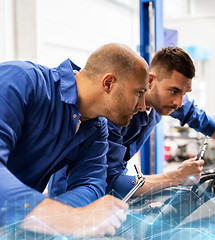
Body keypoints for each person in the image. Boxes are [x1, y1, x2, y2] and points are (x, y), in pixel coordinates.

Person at [49, 46, 215, 200]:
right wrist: (175, 176)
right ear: (151, 80)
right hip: (73, 193)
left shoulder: (166, 101)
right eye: (174, 91)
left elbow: (207, 123)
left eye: (184, 93)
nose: (179, 102)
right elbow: (111, 182)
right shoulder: (111, 114)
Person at [0, 43, 148, 237]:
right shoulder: (21, 80)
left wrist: (44, 219)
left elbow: (91, 184)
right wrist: (57, 216)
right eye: (138, 93)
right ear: (109, 83)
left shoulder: (96, 128)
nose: (143, 107)